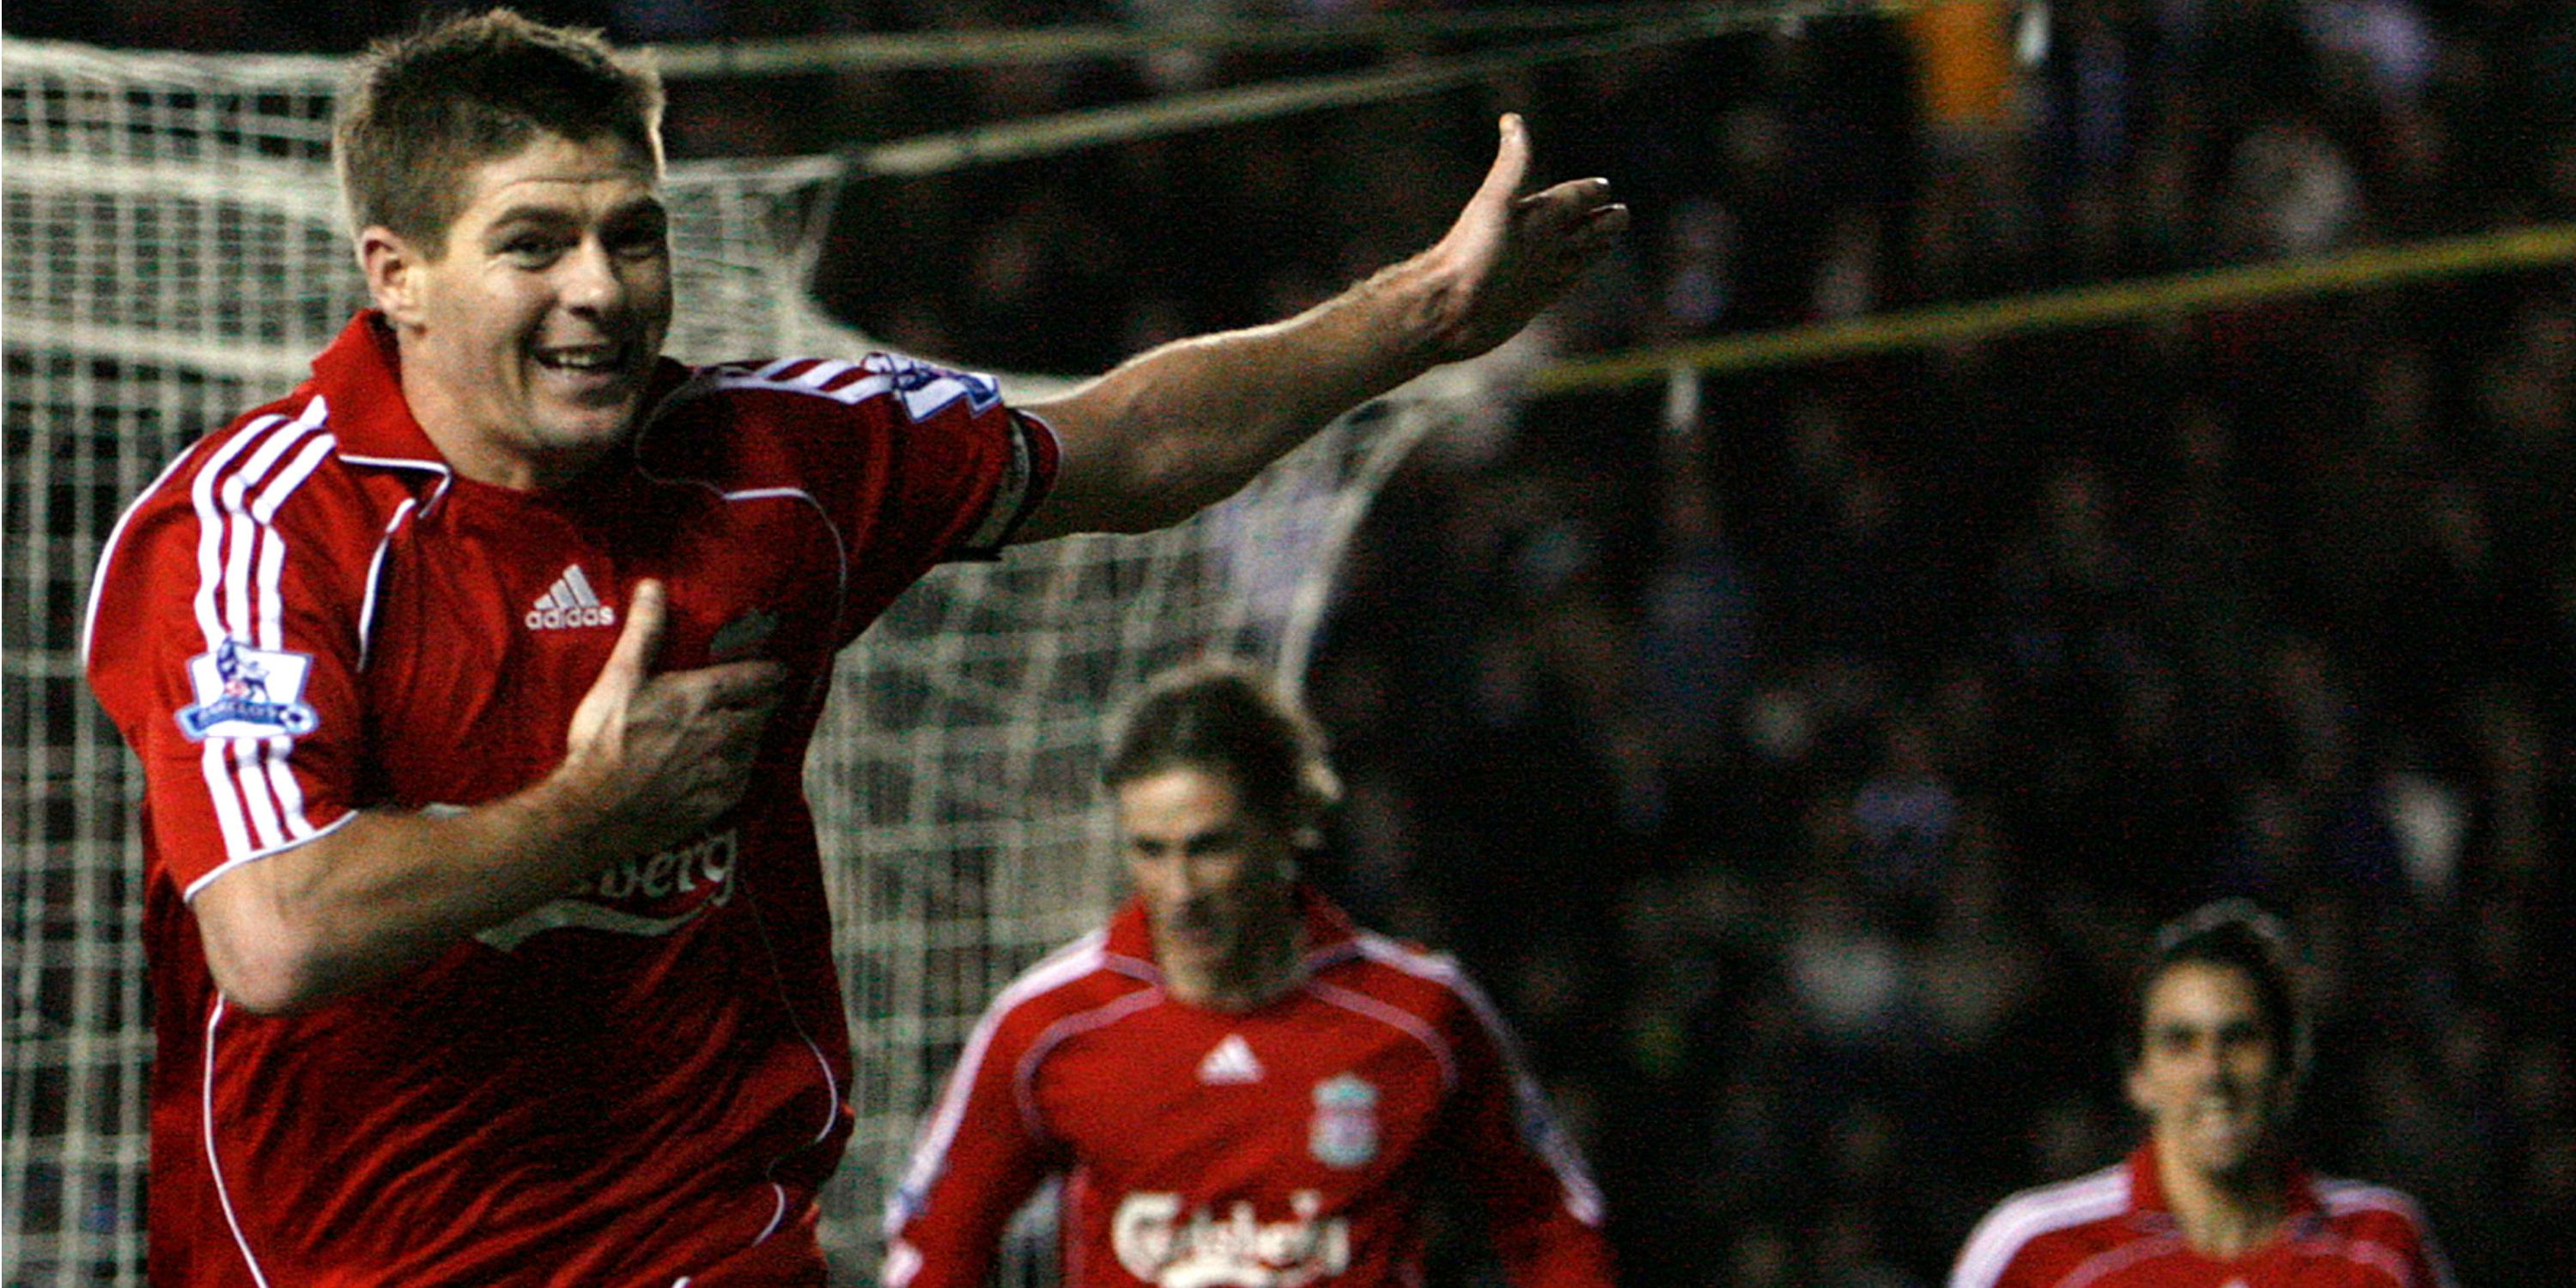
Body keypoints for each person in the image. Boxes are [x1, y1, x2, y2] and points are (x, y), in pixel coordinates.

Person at [78, 10, 1625, 1285]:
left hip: (704, 1235)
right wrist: (594, 815)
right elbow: (275, 936)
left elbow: (1128, 443)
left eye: (634, 235)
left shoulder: (776, 462)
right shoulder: (255, 536)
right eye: (535, 245)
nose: (602, 292)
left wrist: (1418, 313)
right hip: (339, 1261)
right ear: (395, 273)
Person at [883, 661, 1615, 1288]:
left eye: (1209, 847)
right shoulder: (1048, 1024)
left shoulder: (1418, 1013)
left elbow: (1551, 1220)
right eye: (1150, 850)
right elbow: (935, 1239)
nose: (1180, 890)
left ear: (1286, 826)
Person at [1947, 900, 2454, 1288]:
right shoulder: (2036, 1249)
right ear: (2138, 1077)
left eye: (2239, 1039)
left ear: (2287, 1069)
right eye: (2179, 1042)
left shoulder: (2383, 1243)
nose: (2212, 1071)